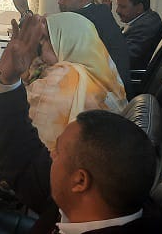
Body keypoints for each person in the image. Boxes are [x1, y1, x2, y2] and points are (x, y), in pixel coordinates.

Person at [0, 14, 162, 233]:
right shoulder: (94, 200)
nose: (49, 154)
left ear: (79, 181)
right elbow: (26, 159)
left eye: (57, 152)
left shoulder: (67, 78)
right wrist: (9, 80)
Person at [7, 0, 131, 95]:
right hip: (110, 89)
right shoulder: (99, 11)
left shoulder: (82, 18)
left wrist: (25, 10)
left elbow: (39, 35)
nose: (59, 1)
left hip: (102, 94)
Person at [21, 12, 126, 150]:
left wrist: (13, 75)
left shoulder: (66, 78)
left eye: (46, 39)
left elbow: (17, 126)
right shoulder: (102, 70)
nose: (40, 44)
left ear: (67, 43)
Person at [99, 0, 162, 70]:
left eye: (123, 7)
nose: (117, 11)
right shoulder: (143, 20)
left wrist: (106, 18)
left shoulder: (146, 26)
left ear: (139, 8)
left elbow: (123, 58)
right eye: (118, 6)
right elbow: (119, 37)